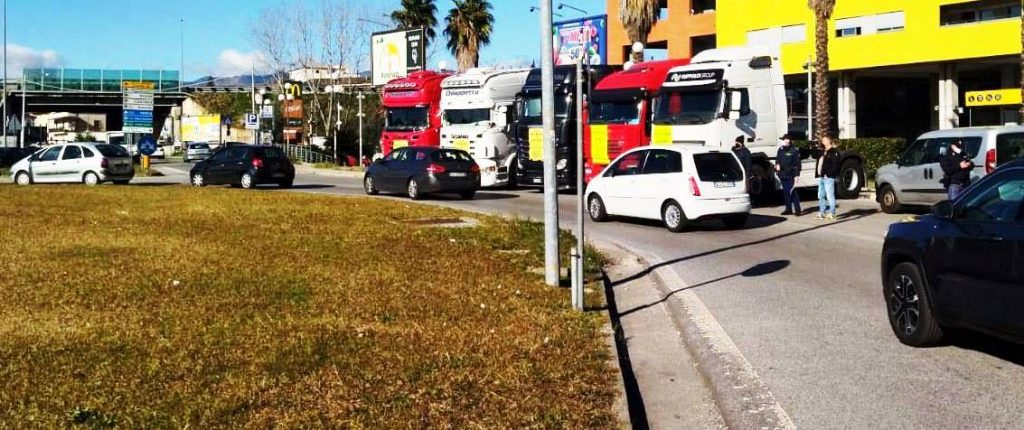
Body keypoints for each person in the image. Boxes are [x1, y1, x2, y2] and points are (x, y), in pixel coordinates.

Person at [815, 136, 842, 220]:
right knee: (821, 195)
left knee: (830, 195)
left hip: (829, 177)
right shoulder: (823, 151)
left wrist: (829, 174)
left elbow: (836, 165)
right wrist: (813, 146)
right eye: (822, 141)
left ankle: (832, 213)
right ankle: (822, 213)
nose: (823, 142)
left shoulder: (834, 152)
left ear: (829, 141)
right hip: (821, 177)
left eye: (824, 140)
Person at [775, 134, 802, 216]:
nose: (783, 141)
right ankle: (788, 209)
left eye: (784, 140)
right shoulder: (780, 149)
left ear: (788, 140)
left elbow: (797, 164)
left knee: (792, 192)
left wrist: (797, 175)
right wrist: (777, 165)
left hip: (790, 174)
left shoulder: (794, 150)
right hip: (782, 174)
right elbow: (778, 160)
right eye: (783, 140)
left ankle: (797, 209)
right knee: (786, 192)